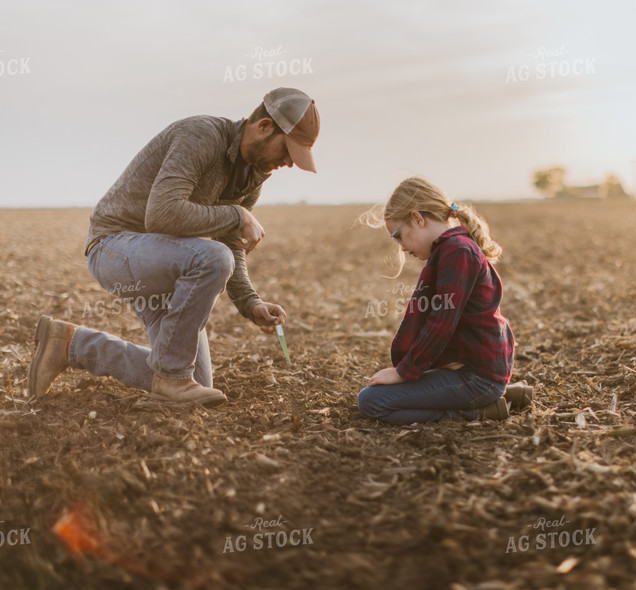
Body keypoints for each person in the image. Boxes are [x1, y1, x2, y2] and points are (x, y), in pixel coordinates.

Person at [27, 88, 320, 407]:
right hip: (114, 247)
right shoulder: (202, 135)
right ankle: (171, 375)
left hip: (169, 266)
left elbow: (231, 244)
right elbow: (163, 214)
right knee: (212, 261)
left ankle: (70, 344)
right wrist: (238, 214)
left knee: (197, 383)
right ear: (264, 126)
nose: (290, 162)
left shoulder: (252, 178)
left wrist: (251, 304)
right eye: (289, 149)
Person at [357, 177, 522, 424]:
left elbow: (441, 323)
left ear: (417, 219)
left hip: (477, 377)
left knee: (372, 401)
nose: (401, 248)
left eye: (398, 236)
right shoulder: (450, 250)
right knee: (379, 394)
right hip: (473, 372)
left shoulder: (457, 252)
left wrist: (404, 372)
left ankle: (482, 410)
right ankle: (510, 395)